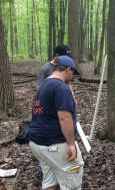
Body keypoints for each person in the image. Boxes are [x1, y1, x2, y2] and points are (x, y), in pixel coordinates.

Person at [29, 56, 84, 190]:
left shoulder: (42, 86)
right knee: (72, 183)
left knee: (50, 180)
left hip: (37, 142)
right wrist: (71, 144)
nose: (72, 77)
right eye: (72, 73)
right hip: (54, 144)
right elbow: (64, 118)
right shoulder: (61, 88)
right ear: (67, 69)